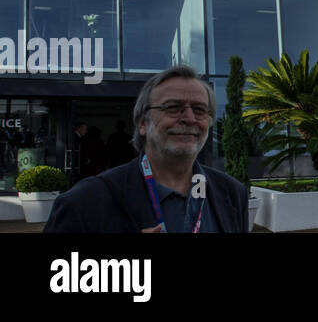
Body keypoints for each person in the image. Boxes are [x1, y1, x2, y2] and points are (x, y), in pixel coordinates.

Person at [44, 65, 246, 232]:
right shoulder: (84, 202)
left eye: (200, 110)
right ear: (142, 123)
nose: (189, 118)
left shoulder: (231, 194)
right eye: (173, 108)